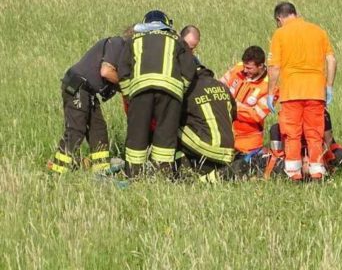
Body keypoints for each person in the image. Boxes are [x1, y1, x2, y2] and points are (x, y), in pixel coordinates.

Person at [118, 10, 197, 177]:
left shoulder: (133, 39)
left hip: (140, 91)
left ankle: (134, 174)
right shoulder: (177, 39)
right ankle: (162, 175)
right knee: (166, 134)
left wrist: (128, 95)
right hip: (171, 93)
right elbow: (190, 69)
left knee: (136, 134)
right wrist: (180, 90)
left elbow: (123, 70)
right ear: (167, 24)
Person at [267, 2, 336, 181]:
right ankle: (317, 172)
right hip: (315, 92)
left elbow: (274, 67)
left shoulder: (279, 34)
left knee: (292, 135)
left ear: (279, 18)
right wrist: (329, 85)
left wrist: (270, 92)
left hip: (291, 93)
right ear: (295, 14)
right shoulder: (318, 31)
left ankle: (294, 174)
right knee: (315, 134)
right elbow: (331, 60)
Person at [48, 33, 127, 174]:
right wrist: (128, 86)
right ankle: (57, 171)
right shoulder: (118, 43)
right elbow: (106, 72)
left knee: (98, 127)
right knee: (76, 129)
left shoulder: (119, 47)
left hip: (88, 90)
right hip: (78, 85)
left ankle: (101, 168)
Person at [177, 65, 250, 182]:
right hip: (228, 150)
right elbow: (233, 114)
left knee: (168, 131)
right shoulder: (222, 86)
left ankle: (186, 176)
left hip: (207, 148)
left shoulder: (188, 89)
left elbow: (172, 117)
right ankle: (217, 174)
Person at [220, 46, 271, 157]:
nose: (245, 70)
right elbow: (219, 86)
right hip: (224, 135)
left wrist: (232, 104)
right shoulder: (238, 68)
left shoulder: (270, 86)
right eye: (244, 66)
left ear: (261, 66)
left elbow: (256, 115)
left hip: (248, 143)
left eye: (249, 68)